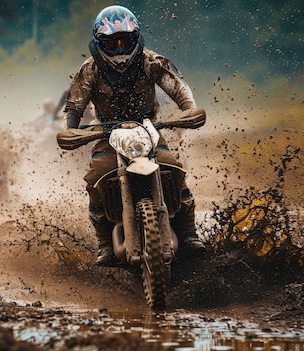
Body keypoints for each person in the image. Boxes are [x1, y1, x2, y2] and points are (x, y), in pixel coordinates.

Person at [61, 5, 206, 266]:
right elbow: (74, 106)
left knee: (173, 168)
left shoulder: (152, 61)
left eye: (125, 41)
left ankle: (188, 232)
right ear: (99, 43)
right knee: (96, 176)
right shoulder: (89, 70)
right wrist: (70, 129)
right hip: (107, 134)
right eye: (112, 42)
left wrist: (189, 111)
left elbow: (179, 88)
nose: (119, 49)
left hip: (149, 130)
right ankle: (105, 242)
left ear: (136, 39)